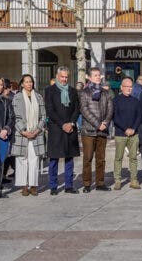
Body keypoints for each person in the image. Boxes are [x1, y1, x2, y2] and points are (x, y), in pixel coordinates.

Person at [45, 67, 80, 196]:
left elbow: (77, 109)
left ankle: (69, 185)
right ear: (57, 76)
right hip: (56, 129)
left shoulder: (72, 91)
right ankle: (53, 186)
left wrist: (71, 123)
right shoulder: (49, 90)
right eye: (62, 77)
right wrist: (62, 124)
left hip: (70, 128)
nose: (64, 79)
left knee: (69, 158)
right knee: (54, 159)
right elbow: (50, 110)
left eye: (66, 77)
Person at [79, 67, 114, 192]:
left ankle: (100, 183)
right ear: (89, 77)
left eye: (99, 75)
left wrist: (106, 122)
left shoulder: (106, 93)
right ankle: (87, 184)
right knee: (88, 158)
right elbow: (84, 110)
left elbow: (110, 109)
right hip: (88, 131)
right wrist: (98, 124)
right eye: (95, 75)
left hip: (102, 131)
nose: (98, 77)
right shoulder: (84, 92)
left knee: (101, 159)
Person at [10, 75, 46, 196]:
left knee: (34, 159)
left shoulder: (39, 97)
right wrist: (23, 131)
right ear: (22, 84)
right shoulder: (17, 97)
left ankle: (33, 185)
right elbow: (15, 116)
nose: (29, 84)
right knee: (22, 159)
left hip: (36, 133)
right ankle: (24, 186)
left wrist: (37, 130)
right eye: (26, 82)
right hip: (22, 134)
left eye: (31, 82)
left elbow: (43, 116)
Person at [112, 77, 142, 190]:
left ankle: (134, 180)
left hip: (134, 134)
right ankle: (117, 180)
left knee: (133, 158)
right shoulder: (116, 100)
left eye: (130, 87)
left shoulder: (136, 101)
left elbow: (139, 116)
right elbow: (115, 117)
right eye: (126, 87)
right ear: (121, 87)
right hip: (120, 133)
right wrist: (125, 129)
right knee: (118, 158)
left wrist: (133, 129)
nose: (129, 89)